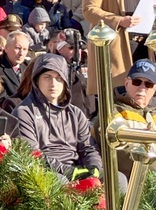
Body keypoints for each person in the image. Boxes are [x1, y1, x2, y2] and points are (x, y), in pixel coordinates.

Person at [12, 52, 103, 183]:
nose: (53, 83)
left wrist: (94, 167)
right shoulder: (24, 112)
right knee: (58, 181)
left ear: (65, 81)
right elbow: (32, 154)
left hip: (78, 168)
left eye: (59, 78)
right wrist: (70, 172)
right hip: (46, 172)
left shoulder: (75, 113)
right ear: (37, 80)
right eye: (47, 77)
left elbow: (89, 148)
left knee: (117, 178)